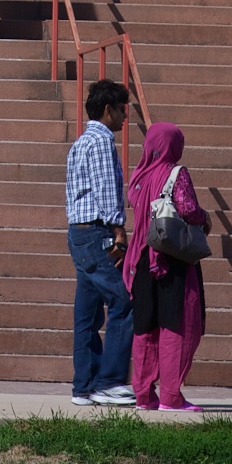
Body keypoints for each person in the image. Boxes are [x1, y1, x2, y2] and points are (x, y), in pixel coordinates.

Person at [123, 121, 207, 411]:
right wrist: (205, 217)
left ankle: (144, 396)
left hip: (142, 257)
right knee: (176, 325)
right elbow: (187, 209)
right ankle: (171, 396)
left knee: (145, 326)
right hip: (171, 258)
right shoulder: (176, 173)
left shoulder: (139, 175)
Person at [65, 79, 137, 407]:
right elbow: (106, 189)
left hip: (80, 235)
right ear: (108, 110)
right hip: (97, 234)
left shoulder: (80, 142)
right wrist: (119, 230)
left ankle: (85, 386)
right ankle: (110, 382)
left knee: (88, 313)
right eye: (123, 109)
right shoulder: (101, 142)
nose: (126, 116)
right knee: (124, 303)